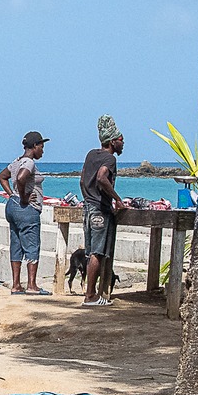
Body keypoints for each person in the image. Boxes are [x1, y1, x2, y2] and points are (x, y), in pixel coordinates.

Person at [80, 117, 126, 307]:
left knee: (91, 252)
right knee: (98, 252)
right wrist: (117, 199)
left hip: (88, 207)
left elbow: (82, 180)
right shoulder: (110, 159)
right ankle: (90, 296)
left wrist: (87, 198)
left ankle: (91, 293)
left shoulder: (91, 155)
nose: (123, 143)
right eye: (121, 140)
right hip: (99, 210)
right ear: (112, 141)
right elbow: (101, 178)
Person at [0, 131, 49, 294]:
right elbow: (21, 178)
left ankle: (16, 285)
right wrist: (24, 196)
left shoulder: (16, 161)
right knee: (32, 244)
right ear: (34, 146)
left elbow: (2, 176)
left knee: (16, 244)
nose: (43, 151)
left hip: (12, 207)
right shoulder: (29, 162)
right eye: (41, 147)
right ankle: (32, 285)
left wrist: (12, 194)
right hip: (26, 209)